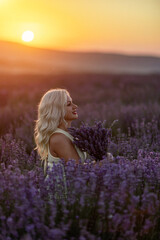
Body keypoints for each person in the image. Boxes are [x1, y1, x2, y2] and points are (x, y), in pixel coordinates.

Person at [34, 88, 87, 199]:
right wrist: (101, 163)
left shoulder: (68, 134)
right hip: (60, 199)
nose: (75, 106)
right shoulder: (58, 138)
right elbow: (78, 171)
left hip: (71, 194)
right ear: (56, 109)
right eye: (68, 104)